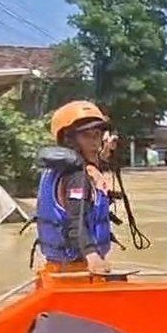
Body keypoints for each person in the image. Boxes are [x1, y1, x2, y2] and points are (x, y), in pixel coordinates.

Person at [34, 100, 119, 273]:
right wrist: (92, 256)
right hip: (76, 269)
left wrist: (107, 154)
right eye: (86, 136)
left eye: (97, 135)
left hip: (58, 267)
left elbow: (95, 164)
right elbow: (76, 221)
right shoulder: (76, 177)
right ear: (69, 140)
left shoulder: (60, 169)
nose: (95, 142)